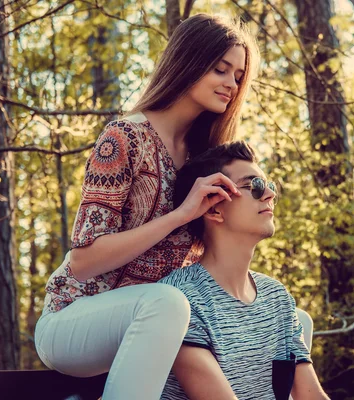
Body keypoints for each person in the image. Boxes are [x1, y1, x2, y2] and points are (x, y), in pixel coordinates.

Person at [34, 14, 259, 400]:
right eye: (220, 69)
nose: (230, 84)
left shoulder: (205, 158)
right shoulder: (123, 138)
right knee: (168, 302)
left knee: (283, 316)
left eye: (238, 76)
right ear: (188, 62)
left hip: (160, 326)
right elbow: (84, 261)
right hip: (74, 317)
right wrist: (181, 215)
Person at [158, 141, 330, 400]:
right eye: (255, 187)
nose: (270, 195)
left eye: (270, 186)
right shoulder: (180, 300)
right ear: (214, 207)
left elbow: (311, 395)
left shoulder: (277, 298)